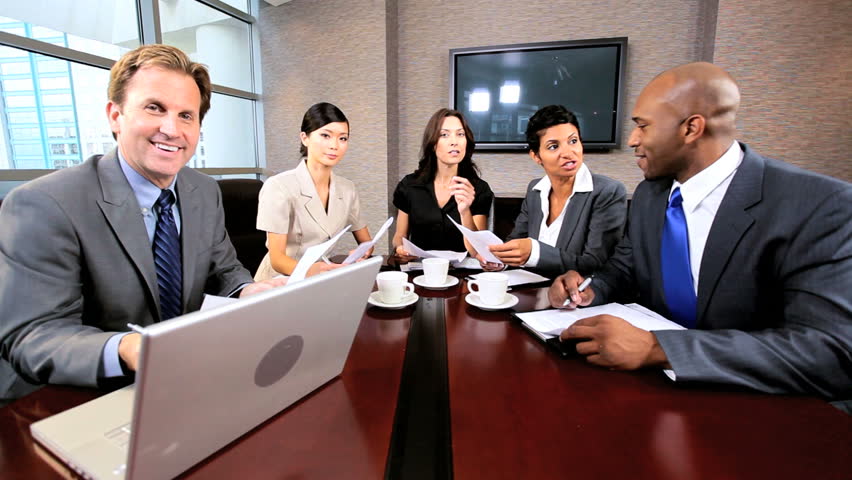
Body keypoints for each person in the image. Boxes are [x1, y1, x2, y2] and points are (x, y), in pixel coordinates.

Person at [548, 62, 852, 412]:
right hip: (654, 396)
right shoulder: (649, 195)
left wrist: (658, 348)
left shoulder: (821, 205)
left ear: (692, 128)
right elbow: (623, 268)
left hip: (761, 410)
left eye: (643, 127)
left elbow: (831, 352)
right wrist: (589, 288)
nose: (632, 140)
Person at [0, 44, 286, 404]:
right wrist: (126, 347)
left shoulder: (203, 191)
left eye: (187, 115)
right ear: (115, 115)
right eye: (155, 108)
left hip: (188, 379)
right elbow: (33, 335)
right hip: (87, 396)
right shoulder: (44, 204)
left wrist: (247, 291)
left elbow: (224, 269)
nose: (171, 128)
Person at [480, 105, 626, 277]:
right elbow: (516, 241)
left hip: (576, 298)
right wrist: (500, 261)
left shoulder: (607, 192)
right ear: (536, 156)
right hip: (532, 291)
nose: (568, 152)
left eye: (573, 141)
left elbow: (594, 263)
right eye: (553, 146)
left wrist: (535, 253)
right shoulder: (535, 190)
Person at [254, 102, 372, 281]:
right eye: (326, 135)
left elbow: (366, 242)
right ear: (305, 138)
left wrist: (362, 252)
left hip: (319, 276)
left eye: (343, 138)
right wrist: (314, 271)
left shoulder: (348, 189)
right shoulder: (278, 186)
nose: (335, 145)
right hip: (279, 280)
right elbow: (277, 260)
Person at [392, 108, 493, 257]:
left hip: (462, 273)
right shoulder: (409, 185)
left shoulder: (478, 189)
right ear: (433, 143)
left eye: (460, 134)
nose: (454, 142)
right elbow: (399, 237)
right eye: (444, 135)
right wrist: (400, 248)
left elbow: (477, 251)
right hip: (420, 271)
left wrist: (465, 211)